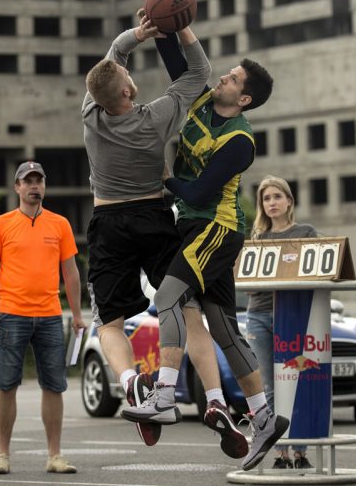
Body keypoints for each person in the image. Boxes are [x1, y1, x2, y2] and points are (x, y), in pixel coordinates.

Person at [82, 0, 246, 458]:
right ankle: (214, 400)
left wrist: (134, 36)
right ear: (130, 93)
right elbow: (198, 68)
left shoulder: (91, 115)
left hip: (108, 221)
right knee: (185, 309)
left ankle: (131, 382)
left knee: (110, 324)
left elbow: (113, 58)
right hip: (155, 216)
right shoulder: (158, 116)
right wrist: (170, 27)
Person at [121, 28, 285, 472]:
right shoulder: (200, 99)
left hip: (216, 228)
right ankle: (265, 417)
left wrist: (163, 175)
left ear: (244, 99)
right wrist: (162, 22)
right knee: (222, 327)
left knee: (167, 298)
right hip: (199, 229)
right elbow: (177, 60)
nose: (224, 79)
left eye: (232, 79)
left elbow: (195, 193)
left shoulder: (239, 141)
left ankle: (163, 396)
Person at [0, 161, 87, 475]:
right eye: (28, 182)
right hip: (11, 315)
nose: (34, 186)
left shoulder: (60, 224)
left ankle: (54, 455)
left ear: (44, 186)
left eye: (38, 181)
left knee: (54, 386)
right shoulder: (0, 224)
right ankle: (2, 455)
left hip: (51, 315)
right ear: (17, 188)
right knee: (6, 385)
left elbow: (71, 272)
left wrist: (78, 314)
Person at [247, 176, 319, 470]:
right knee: (269, 386)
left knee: (295, 381)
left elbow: (317, 271)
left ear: (289, 200)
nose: (272, 203)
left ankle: (299, 451)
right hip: (258, 315)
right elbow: (250, 283)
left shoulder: (306, 232)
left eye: (277, 196)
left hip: (292, 316)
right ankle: (280, 453)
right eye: (266, 199)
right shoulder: (257, 238)